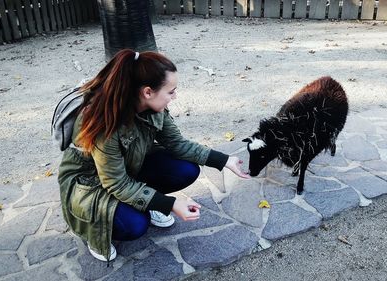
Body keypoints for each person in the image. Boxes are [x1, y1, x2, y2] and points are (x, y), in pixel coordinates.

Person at [57, 49, 249, 262]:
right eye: (171, 91)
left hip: (128, 167)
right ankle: (94, 233)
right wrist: (169, 204)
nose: (174, 97)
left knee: (186, 169)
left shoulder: (153, 107)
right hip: (91, 184)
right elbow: (116, 184)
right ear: (147, 92)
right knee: (136, 225)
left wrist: (224, 160)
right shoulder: (106, 122)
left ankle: (147, 201)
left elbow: (178, 145)